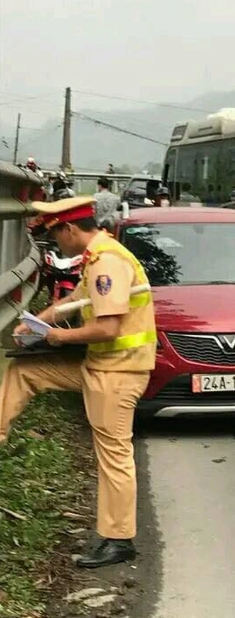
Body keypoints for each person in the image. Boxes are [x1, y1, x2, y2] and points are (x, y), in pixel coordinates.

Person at [2, 196, 157, 568]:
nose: (55, 242)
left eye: (55, 234)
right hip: (99, 366)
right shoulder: (96, 258)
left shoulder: (109, 263)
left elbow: (107, 327)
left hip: (117, 373)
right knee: (24, 371)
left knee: (114, 455)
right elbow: (75, 300)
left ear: (70, 229)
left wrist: (55, 337)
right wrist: (37, 320)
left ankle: (119, 539)